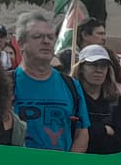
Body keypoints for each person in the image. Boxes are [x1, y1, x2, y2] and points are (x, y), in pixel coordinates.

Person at [11, 10, 89, 152]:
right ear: (21, 43)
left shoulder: (71, 85)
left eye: (50, 37)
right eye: (38, 36)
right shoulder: (6, 83)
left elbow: (82, 132)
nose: (46, 41)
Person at [75, 44, 121, 156]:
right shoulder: (71, 98)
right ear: (81, 68)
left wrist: (89, 132)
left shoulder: (117, 101)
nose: (99, 70)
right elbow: (71, 134)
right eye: (94, 65)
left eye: (104, 65)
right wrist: (104, 130)